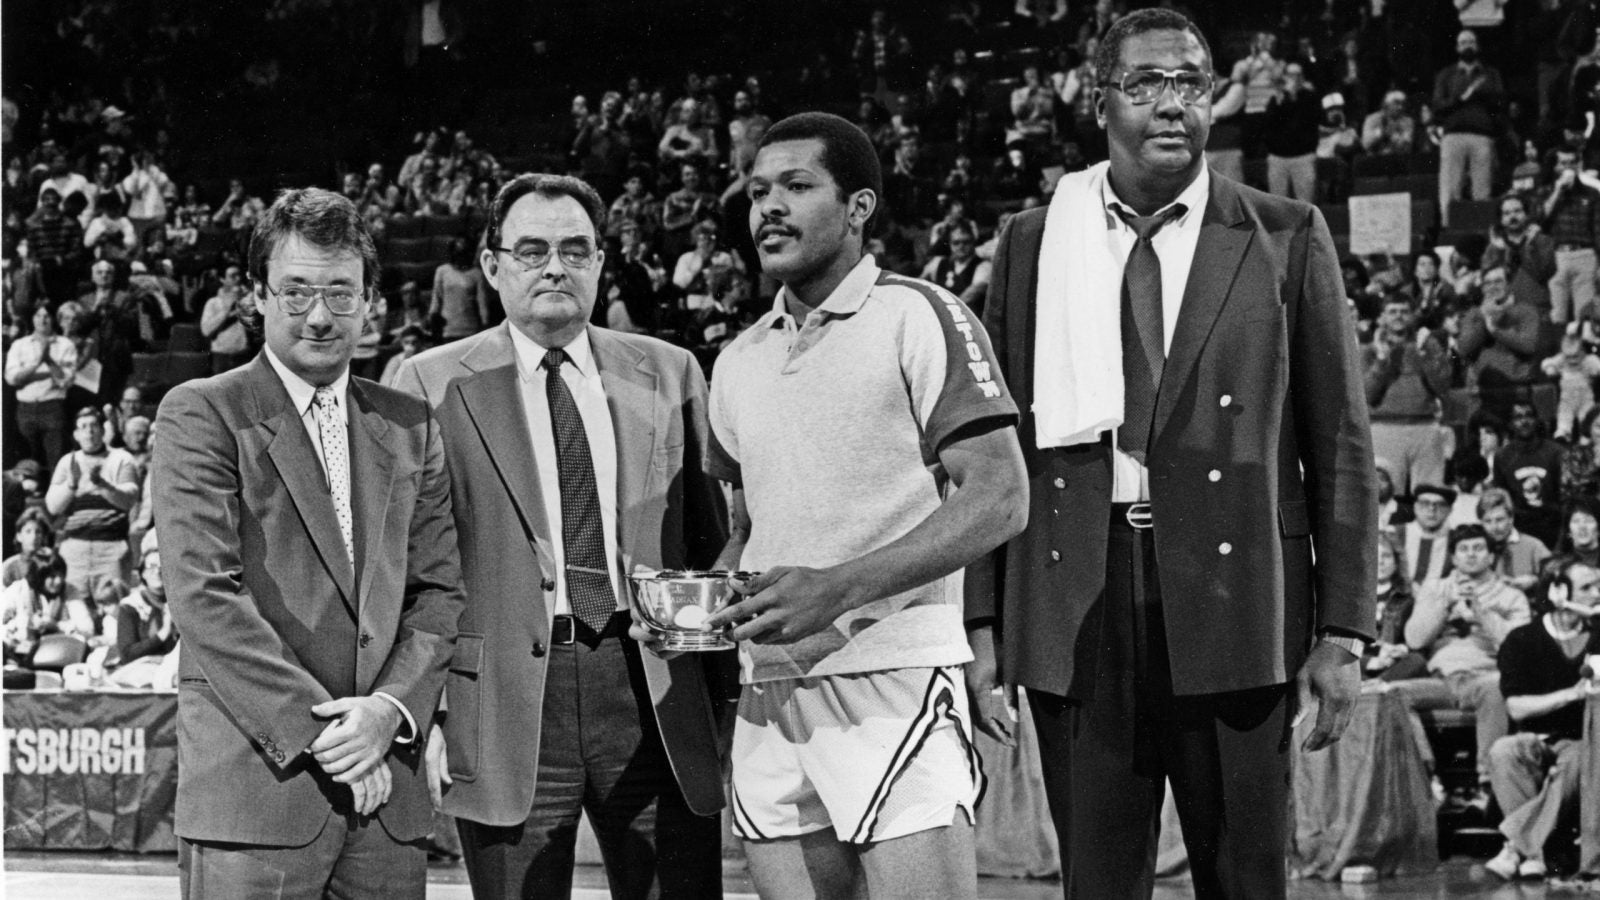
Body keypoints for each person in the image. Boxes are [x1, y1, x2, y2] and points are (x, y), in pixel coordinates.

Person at [974, 10, 1378, 898]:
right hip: (1077, 592)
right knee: (1098, 882)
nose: (1171, 105)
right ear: (1098, 97)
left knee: (1245, 879)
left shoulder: (1286, 233)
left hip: (1242, 603)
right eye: (1145, 83)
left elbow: (1342, 445)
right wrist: (981, 622)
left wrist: (1345, 631)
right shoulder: (1034, 241)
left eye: (1190, 83)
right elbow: (995, 452)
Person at [695, 111, 1026, 900]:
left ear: (859, 207)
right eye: (757, 191)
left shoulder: (921, 315)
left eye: (797, 186)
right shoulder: (737, 360)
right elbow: (748, 530)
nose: (768, 207)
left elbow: (1002, 496)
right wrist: (698, 603)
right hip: (770, 688)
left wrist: (839, 586)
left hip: (894, 675)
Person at [393, 173, 731, 900]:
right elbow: (410, 570)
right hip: (505, 701)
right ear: (492, 265)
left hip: (653, 688)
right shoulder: (425, 383)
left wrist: (723, 701)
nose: (556, 267)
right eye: (533, 250)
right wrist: (429, 707)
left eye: (577, 250)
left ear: (602, 262)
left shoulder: (671, 373)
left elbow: (715, 541)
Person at [152, 187, 465, 898]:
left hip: (387, 802)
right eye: (295, 293)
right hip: (258, 791)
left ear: (370, 301)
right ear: (257, 297)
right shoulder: (202, 413)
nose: (320, 316)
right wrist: (340, 740)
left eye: (340, 293)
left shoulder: (412, 423)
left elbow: (440, 592)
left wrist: (389, 711)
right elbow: (205, 599)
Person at [1483, 559, 1599, 881]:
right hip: (1537, 737)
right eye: (1587, 587)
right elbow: (1517, 708)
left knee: (1579, 758)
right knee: (1503, 751)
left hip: (1583, 740)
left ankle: (1518, 850)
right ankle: (1536, 851)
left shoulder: (1598, 634)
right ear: (1559, 591)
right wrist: (1571, 694)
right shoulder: (1522, 640)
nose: (1597, 593)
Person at [1398, 522, 1528, 795]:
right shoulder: (1436, 589)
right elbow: (1415, 639)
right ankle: (1427, 778)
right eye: (1463, 549)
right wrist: (1444, 607)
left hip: (1483, 678)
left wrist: (1482, 613)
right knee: (1391, 695)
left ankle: (1487, 784)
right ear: (1454, 557)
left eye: (1479, 548)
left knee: (1496, 685)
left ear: (1491, 556)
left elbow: (1518, 649)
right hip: (1439, 681)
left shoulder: (1511, 595)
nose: (1471, 554)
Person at [1366, 296, 1452, 497]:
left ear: (1413, 316)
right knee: (1384, 497)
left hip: (1425, 427)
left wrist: (1429, 351)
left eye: (1404, 311)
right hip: (1383, 428)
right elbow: (1366, 395)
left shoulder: (1426, 345)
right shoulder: (1367, 350)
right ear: (1382, 317)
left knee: (1429, 496)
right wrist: (1381, 359)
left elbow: (1443, 386)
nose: (1398, 316)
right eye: (1392, 311)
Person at [1434, 29, 1506, 225]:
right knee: (1450, 187)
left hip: (1482, 135)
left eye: (1471, 42)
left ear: (1477, 46)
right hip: (1453, 136)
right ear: (1457, 47)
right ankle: (1448, 227)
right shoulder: (1446, 75)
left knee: (1482, 188)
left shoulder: (1490, 74)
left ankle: (1482, 228)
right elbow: (1438, 106)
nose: (1468, 45)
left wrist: (1480, 93)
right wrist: (1461, 98)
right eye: (1463, 42)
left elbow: (1500, 102)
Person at [5, 304, 78, 473]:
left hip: (53, 407)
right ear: (32, 319)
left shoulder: (65, 344)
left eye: (46, 316)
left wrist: (49, 360)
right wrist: (39, 362)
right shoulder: (19, 345)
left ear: (53, 319)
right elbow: (12, 379)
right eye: (38, 315)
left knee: (56, 461)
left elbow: (66, 381)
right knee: (28, 463)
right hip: (25, 409)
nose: (42, 320)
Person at [1540, 144, 1600, 326]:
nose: (1568, 168)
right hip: (1556, 257)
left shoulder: (1591, 194)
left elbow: (1598, 230)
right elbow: (1540, 220)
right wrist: (1558, 191)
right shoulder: (1546, 192)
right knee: (1557, 316)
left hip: (1585, 255)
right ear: (1555, 166)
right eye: (1563, 163)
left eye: (1572, 162)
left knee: (1584, 315)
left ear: (1579, 164)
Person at [1479, 488, 1551, 593]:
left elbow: (1555, 575)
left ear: (1511, 518)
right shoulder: (1478, 547)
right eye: (1488, 521)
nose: (1494, 527)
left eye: (1499, 520)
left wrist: (1534, 581)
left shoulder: (1533, 546)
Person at [200, 265, 253, 374]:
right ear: (222, 279)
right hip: (222, 358)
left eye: (239, 275)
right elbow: (206, 331)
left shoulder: (247, 300)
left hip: (243, 356)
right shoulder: (213, 303)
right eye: (233, 276)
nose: (238, 279)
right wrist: (227, 308)